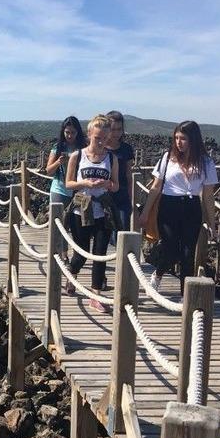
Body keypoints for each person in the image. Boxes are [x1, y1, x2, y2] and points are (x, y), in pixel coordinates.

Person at [138, 121, 218, 294]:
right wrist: (145, 213)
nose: (178, 142)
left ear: (193, 140)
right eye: (176, 138)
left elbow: (208, 195)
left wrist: (212, 223)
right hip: (169, 206)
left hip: (191, 207)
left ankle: (185, 296)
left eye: (183, 138)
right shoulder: (167, 158)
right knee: (171, 248)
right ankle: (158, 273)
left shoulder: (206, 162)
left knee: (188, 254)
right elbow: (156, 187)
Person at [64, 114, 119, 312]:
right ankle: (71, 274)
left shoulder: (111, 158)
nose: (101, 141)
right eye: (97, 138)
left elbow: (116, 185)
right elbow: (68, 183)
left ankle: (95, 295)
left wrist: (107, 184)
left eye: (105, 138)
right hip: (82, 209)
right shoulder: (77, 156)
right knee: (81, 252)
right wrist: (85, 183)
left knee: (100, 253)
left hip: (102, 209)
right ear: (89, 135)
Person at [46, 116, 86, 259]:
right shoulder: (57, 148)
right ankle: (63, 254)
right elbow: (48, 170)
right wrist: (58, 162)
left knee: (76, 224)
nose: (69, 136)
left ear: (78, 133)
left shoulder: (83, 149)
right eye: (67, 132)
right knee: (60, 223)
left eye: (73, 133)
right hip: (59, 189)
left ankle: (78, 255)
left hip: (77, 191)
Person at [106, 110, 136, 237]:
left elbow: (129, 175)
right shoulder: (99, 148)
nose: (116, 133)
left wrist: (131, 199)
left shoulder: (127, 149)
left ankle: (121, 257)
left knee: (122, 230)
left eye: (119, 129)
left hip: (122, 195)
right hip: (103, 196)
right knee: (106, 233)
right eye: (113, 129)